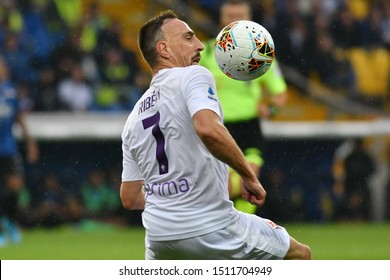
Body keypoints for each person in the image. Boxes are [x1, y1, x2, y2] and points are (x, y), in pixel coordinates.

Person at [120, 9, 311, 260]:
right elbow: (208, 129)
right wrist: (248, 176)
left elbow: (130, 198)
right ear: (164, 49)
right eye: (189, 38)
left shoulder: (133, 118)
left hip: (159, 238)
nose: (199, 45)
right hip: (211, 226)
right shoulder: (194, 74)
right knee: (300, 255)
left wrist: (171, 200)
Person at [199, 0, 288, 214]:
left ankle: (235, 232)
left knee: (250, 178)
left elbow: (280, 94)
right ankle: (222, 221)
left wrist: (271, 110)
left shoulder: (261, 54)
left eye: (240, 16)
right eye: (230, 16)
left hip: (250, 127)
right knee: (235, 185)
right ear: (222, 20)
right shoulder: (206, 53)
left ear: (250, 21)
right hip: (218, 128)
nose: (235, 21)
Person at [0, 56, 39, 246]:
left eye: (3, 64)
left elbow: (19, 117)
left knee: (15, 187)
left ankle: (11, 222)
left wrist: (29, 140)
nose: (3, 68)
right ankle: (1, 228)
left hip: (8, 148)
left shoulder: (9, 91)